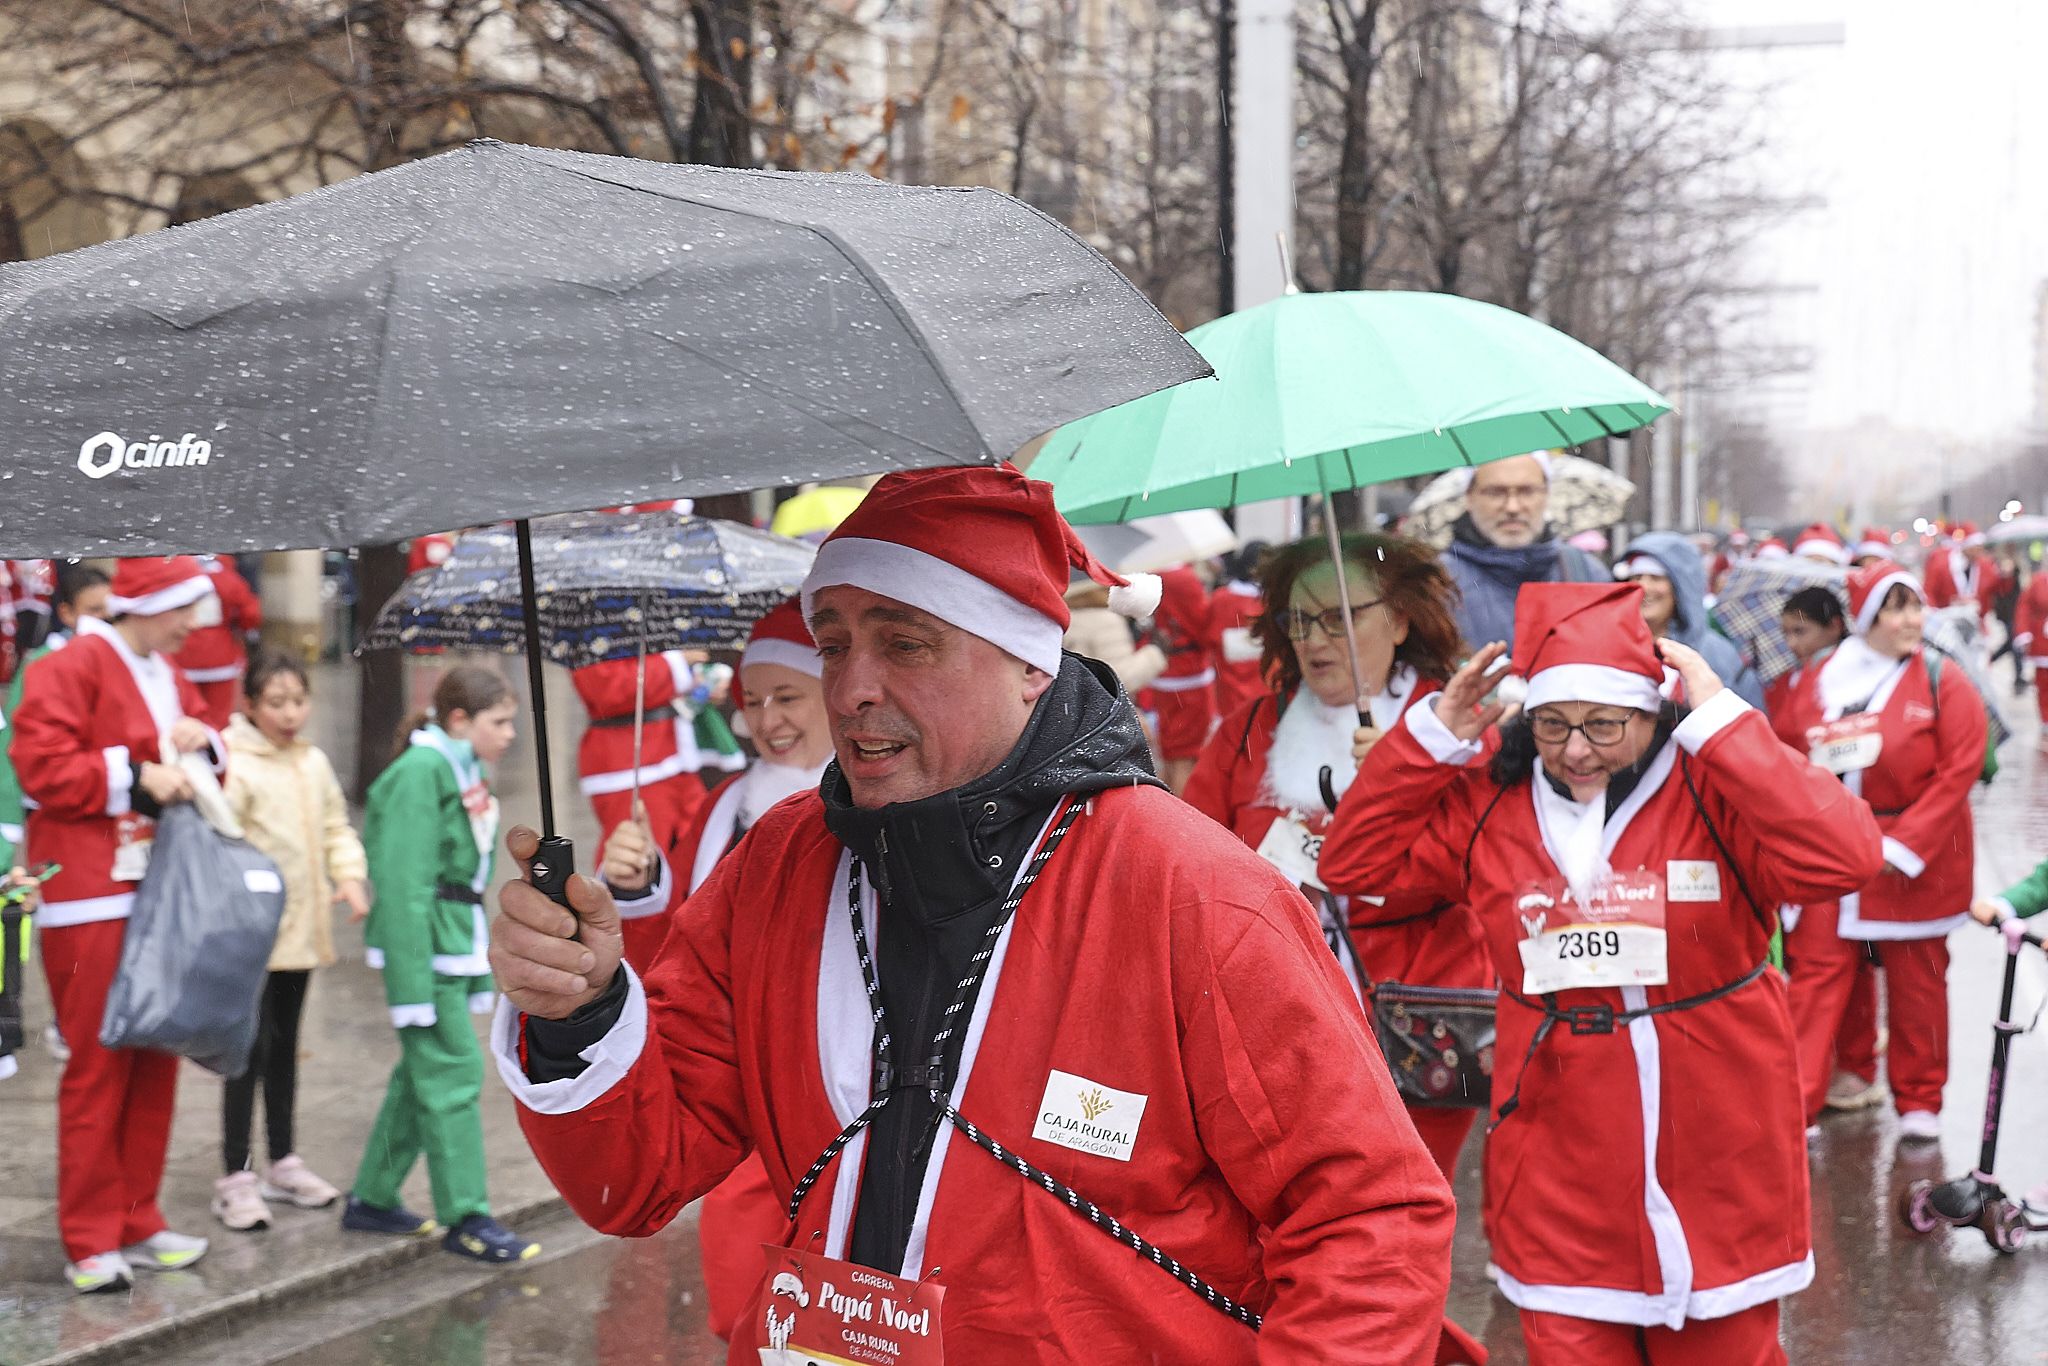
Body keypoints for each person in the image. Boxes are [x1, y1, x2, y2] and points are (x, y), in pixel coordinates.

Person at [486, 465, 1465, 1364]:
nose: (851, 687)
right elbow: (637, 1172)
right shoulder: (779, 864)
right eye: (833, 644)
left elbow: (1368, 1219)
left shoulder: (1193, 893)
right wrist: (578, 1010)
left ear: (1029, 662)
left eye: (905, 643)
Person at [1320, 581, 1882, 1365]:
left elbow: (1848, 856)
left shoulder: (1711, 788)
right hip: (1559, 1146)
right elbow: (1355, 860)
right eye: (1551, 724)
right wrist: (1427, 743)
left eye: (1604, 724)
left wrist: (1725, 724)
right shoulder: (1493, 805)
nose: (1576, 748)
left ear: (1654, 715)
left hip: (1721, 1135)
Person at [1184, 533, 1490, 1180]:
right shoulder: (1250, 729)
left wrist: (1400, 776)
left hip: (1412, 1015)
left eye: (1339, 617)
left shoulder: (1453, 722)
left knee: (1400, 1200)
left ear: (1400, 618)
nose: (1313, 639)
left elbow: (1473, 865)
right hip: (1276, 1009)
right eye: (1298, 620)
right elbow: (1194, 862)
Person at [601, 599, 833, 1341]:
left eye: (787, 697)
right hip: (741, 1096)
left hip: (838, 1095)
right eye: (753, 702)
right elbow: (674, 959)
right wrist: (635, 890)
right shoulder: (724, 805)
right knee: (745, 1307)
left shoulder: (881, 806)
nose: (768, 721)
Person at [13, 556, 226, 1293]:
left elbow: (208, 744)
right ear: (150, 604)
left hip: (160, 890)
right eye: (183, 610)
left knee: (155, 1054)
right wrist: (134, 777)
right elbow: (39, 765)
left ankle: (139, 1217)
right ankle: (91, 1236)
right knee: (99, 1064)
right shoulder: (69, 665)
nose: (193, 626)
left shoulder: (166, 669)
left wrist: (205, 746)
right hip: (90, 895)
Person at [1780, 561, 1987, 1142]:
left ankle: (1920, 1099)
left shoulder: (1943, 680)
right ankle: (1796, 1104)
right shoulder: (1824, 677)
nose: (1912, 619)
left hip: (1910, 859)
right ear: (1867, 617)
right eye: (1896, 608)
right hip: (1832, 854)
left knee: (1917, 981)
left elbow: (1958, 771)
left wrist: (1904, 845)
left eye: (1916, 606)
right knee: (1817, 975)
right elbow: (1789, 754)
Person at [342, 665, 539, 1263]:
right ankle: (467, 1216)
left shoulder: (460, 766)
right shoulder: (422, 771)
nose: (509, 733)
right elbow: (402, 885)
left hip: (448, 939)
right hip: (424, 946)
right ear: (459, 720)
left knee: (421, 1074)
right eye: (498, 722)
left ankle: (373, 1197)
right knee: (453, 1071)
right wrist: (410, 982)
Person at [211, 654, 369, 1232]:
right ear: (249, 705)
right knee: (244, 1054)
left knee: (285, 1051)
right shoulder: (235, 764)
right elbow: (222, 839)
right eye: (275, 702)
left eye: (298, 701)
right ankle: (236, 1174)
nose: (289, 713)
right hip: (251, 936)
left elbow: (335, 826)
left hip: (300, 934)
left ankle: (284, 1160)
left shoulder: (312, 761)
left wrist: (349, 876)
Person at [1764, 588, 1885, 1115]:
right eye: (1786, 632)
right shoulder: (1794, 678)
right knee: (1842, 960)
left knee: (1821, 963)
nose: (1792, 644)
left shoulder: (1850, 677)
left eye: (1802, 631)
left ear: (1835, 625)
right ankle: (1854, 1068)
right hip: (1805, 825)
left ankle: (1800, 1096)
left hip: (1823, 829)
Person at [1440, 452, 1608, 652]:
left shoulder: (1587, 573)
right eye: (1495, 492)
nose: (1512, 507)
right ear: (1469, 497)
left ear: (1547, 494)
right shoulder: (1438, 582)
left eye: (1527, 491)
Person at [1612, 533, 1766, 709]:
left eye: (1656, 578)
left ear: (1680, 588)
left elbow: (1744, 722)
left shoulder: (1717, 655)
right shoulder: (1612, 646)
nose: (1644, 587)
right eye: (1637, 577)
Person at [1142, 562, 1219, 792]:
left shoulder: (1153, 573)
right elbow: (1203, 626)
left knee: (1171, 754)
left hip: (1164, 672)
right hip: (1189, 676)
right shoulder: (1183, 579)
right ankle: (1182, 817)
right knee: (1186, 757)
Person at [172, 554, 263, 732]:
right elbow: (251, 615)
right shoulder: (228, 577)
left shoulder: (178, 575)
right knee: (219, 722)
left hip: (182, 656)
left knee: (182, 718)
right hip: (220, 659)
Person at [1060, 577, 1166, 696]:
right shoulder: (1105, 620)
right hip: (1104, 703)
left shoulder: (1066, 617)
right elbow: (1121, 679)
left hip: (1078, 700)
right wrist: (1156, 652)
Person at [1205, 542, 1269, 716]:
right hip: (1264, 689)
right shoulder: (1268, 603)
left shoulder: (1221, 598)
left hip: (1228, 691)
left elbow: (1209, 639)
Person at [2016, 560, 2048, 748]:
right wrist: (2023, 633)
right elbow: (2024, 607)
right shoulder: (2038, 581)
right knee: (2044, 683)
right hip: (2042, 643)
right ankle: (2045, 718)